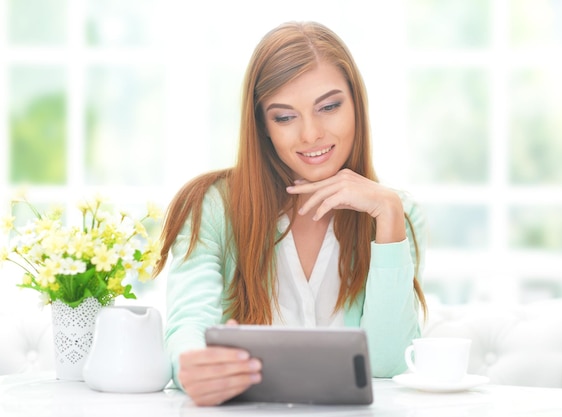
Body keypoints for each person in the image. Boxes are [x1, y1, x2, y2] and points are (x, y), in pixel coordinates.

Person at [154, 21, 428, 406]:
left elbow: (387, 363)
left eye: (329, 107)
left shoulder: (397, 213)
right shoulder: (211, 207)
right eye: (284, 117)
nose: (311, 134)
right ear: (262, 125)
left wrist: (388, 216)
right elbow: (187, 329)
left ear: (357, 106)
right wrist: (192, 367)